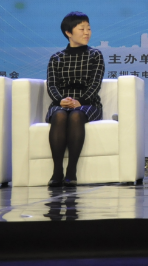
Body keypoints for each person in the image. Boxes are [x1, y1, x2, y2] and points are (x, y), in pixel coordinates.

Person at [46, 11, 105, 187]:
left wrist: (80, 100)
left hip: (89, 103)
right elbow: (52, 85)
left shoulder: (95, 55)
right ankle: (57, 170)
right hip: (61, 102)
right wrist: (60, 100)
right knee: (59, 115)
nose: (87, 33)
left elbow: (95, 84)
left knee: (76, 115)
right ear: (68, 33)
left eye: (89, 28)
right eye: (82, 29)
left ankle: (71, 170)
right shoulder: (56, 58)